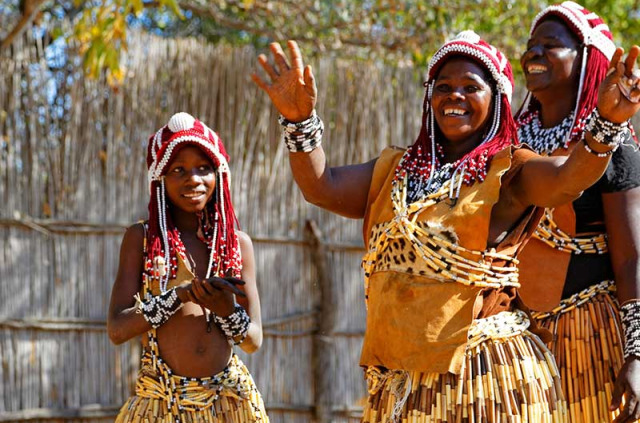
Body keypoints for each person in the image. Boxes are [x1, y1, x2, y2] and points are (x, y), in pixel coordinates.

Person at [252, 31, 640, 422]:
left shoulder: (509, 172)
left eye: (471, 87)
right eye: (444, 86)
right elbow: (321, 187)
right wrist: (299, 121)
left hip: (484, 381)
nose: (454, 95)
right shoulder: (394, 171)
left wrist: (606, 123)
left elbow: (569, 178)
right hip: (402, 383)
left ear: (498, 101)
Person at [514, 3, 640, 422]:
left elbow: (631, 258)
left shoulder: (615, 147)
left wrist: (637, 353)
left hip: (592, 340)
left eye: (551, 45)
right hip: (517, 345)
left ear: (588, 58)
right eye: (532, 45)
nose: (534, 53)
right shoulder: (506, 149)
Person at [107, 113, 269, 423]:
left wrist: (227, 311)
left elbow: (253, 340)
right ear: (160, 180)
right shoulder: (142, 241)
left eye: (203, 169)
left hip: (230, 405)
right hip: (162, 405)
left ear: (218, 175)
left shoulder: (236, 244)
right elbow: (117, 329)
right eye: (178, 170)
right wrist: (177, 297)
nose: (193, 179)